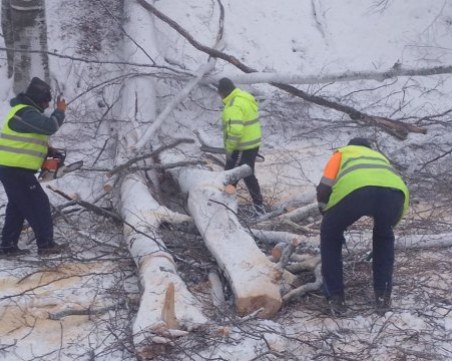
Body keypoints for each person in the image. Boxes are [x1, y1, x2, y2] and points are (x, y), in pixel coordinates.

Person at [316, 137, 409, 315]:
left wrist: (326, 213)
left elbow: (324, 187)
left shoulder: (342, 153)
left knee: (330, 235)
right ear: (369, 147)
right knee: (384, 237)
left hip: (356, 191)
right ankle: (383, 298)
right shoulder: (379, 157)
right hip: (395, 195)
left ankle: (336, 298)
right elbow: (395, 191)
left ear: (351, 146)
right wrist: (389, 225)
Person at [0, 77, 67, 256]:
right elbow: (50, 126)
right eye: (46, 101)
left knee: (17, 206)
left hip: (13, 169)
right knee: (39, 204)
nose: (47, 105)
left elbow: (30, 140)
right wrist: (60, 112)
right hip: (15, 170)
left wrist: (48, 151)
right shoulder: (25, 112)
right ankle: (46, 245)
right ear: (37, 99)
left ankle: (7, 246)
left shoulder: (28, 114)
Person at [217, 77, 264, 214]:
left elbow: (236, 131)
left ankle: (224, 205)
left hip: (241, 146)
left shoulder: (233, 105)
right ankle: (258, 206)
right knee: (248, 175)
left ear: (223, 92)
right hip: (252, 143)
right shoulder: (244, 97)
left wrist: (230, 149)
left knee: (230, 175)